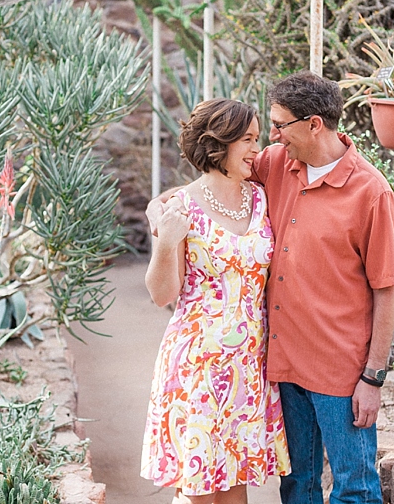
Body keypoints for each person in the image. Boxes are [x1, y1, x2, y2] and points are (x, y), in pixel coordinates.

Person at [149, 72, 394, 504]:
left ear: (313, 125)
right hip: (280, 368)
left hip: (340, 370)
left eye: (279, 124)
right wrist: (161, 213)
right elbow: (205, 183)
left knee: (355, 488)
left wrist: (373, 378)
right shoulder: (275, 163)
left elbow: (386, 290)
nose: (270, 136)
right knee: (297, 487)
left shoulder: (371, 192)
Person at [141, 98, 291, 504]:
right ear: (217, 144)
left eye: (257, 138)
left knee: (234, 485)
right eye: (247, 139)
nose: (256, 148)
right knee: (198, 493)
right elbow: (161, 295)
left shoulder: (261, 198)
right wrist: (166, 244)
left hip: (249, 364)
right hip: (197, 365)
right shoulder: (181, 207)